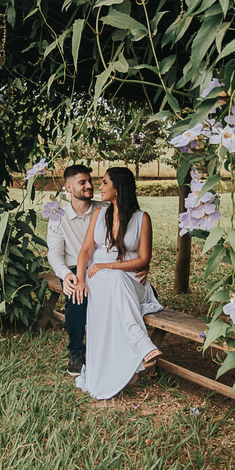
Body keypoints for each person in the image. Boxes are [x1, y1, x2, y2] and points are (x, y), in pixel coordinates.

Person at [72, 166, 163, 400]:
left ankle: (137, 351)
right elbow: (85, 250)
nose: (99, 187)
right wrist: (81, 278)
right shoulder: (98, 215)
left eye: (104, 182)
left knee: (115, 278)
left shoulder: (142, 218)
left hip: (133, 281)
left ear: (118, 188)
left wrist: (108, 266)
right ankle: (141, 346)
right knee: (110, 280)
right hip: (98, 279)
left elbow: (143, 259)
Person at [46, 165, 106, 376]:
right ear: (68, 188)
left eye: (90, 181)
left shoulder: (104, 208)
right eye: (83, 182)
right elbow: (54, 253)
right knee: (76, 295)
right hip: (72, 267)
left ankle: (111, 347)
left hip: (103, 267)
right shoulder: (57, 216)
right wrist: (67, 275)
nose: (90, 186)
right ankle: (76, 351)